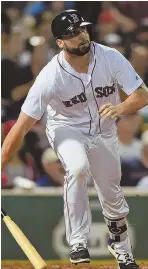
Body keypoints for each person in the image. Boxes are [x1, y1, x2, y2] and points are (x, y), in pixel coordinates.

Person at [1, 9, 148, 269]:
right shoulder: (50, 76)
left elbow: (142, 95)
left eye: (82, 29)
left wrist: (121, 109)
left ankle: (122, 250)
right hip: (66, 128)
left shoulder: (110, 57)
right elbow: (21, 126)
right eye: (73, 33)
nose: (81, 36)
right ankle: (78, 241)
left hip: (104, 130)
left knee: (112, 196)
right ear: (60, 42)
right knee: (77, 167)